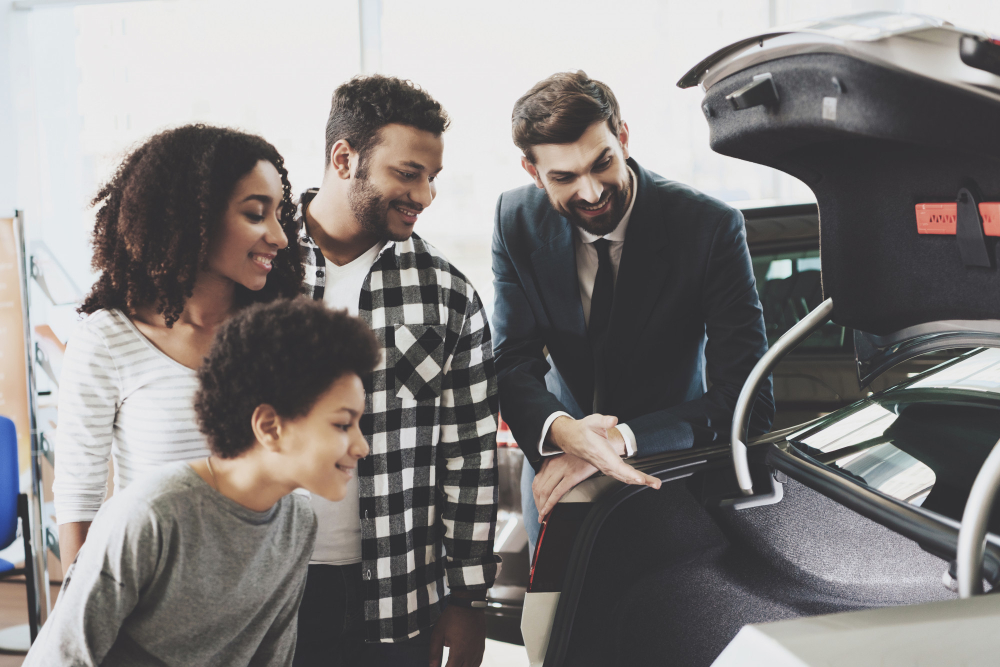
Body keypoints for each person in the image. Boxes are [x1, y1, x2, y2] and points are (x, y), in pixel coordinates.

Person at [492, 71, 776, 551]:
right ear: (532, 172)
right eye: (563, 177)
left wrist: (612, 443)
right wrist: (567, 435)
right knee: (555, 627)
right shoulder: (514, 219)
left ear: (622, 138)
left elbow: (748, 400)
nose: (590, 193)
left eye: (602, 163)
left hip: (668, 478)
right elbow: (511, 362)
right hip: (558, 483)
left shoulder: (709, 228)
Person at [24, 298, 381, 666]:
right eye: (342, 424)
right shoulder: (151, 514)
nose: (362, 447)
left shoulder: (298, 524)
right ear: (270, 427)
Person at [293, 75, 500, 667]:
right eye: (408, 173)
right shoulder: (261, 269)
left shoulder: (449, 295)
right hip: (263, 581)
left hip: (396, 594)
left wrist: (467, 601)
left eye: (432, 177)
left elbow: (470, 456)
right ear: (344, 158)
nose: (426, 195)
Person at [53, 124, 305, 574]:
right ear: (194, 219)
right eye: (254, 214)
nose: (279, 236)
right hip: (148, 600)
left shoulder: (283, 332)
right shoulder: (107, 339)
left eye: (279, 214)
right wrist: (83, 624)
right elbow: (78, 497)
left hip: (267, 603)